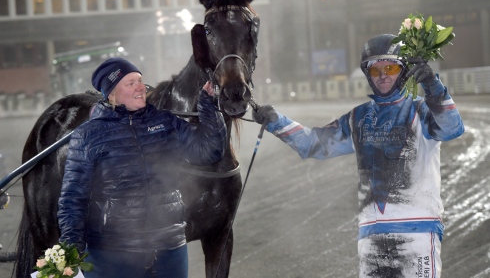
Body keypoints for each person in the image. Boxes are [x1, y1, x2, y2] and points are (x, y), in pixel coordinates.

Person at [252, 34, 464, 277]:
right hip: (371, 236)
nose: (383, 74)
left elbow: (452, 128)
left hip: (416, 233)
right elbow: (314, 143)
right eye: (375, 70)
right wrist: (276, 122)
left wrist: (433, 87)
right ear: (367, 74)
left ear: (404, 71)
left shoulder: (422, 110)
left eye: (390, 67)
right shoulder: (357, 118)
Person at [57, 57, 227, 278]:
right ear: (111, 94)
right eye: (130, 83)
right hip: (111, 252)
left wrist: (209, 106)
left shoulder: (165, 121)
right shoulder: (88, 135)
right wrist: (71, 250)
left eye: (140, 80)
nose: (140, 87)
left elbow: (209, 151)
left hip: (169, 246)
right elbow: (73, 198)